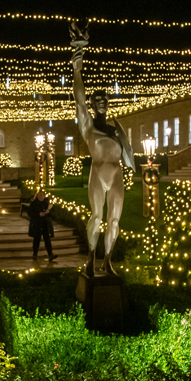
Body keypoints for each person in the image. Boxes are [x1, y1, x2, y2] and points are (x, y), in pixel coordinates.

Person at [70, 21, 134, 277]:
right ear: (94, 105)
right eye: (98, 100)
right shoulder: (89, 129)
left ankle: (107, 261)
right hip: (97, 173)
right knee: (97, 217)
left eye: (105, 99)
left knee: (115, 220)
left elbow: (128, 155)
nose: (102, 103)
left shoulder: (116, 131)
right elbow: (79, 98)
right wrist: (77, 65)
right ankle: (90, 257)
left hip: (116, 174)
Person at [28, 190, 57, 261]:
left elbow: (53, 212)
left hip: (45, 224)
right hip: (37, 224)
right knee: (36, 239)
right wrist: (38, 214)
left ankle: (50, 254)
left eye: (41, 195)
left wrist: (48, 212)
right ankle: (35, 254)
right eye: (38, 195)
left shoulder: (46, 203)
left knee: (47, 239)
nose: (40, 197)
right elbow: (29, 213)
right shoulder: (34, 204)